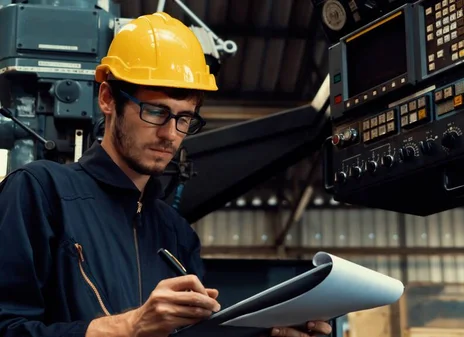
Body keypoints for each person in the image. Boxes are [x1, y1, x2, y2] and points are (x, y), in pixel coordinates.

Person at [0, 12, 332, 337]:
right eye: (156, 111)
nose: (171, 134)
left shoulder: (176, 235)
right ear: (107, 99)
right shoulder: (40, 193)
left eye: (184, 118)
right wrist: (128, 327)